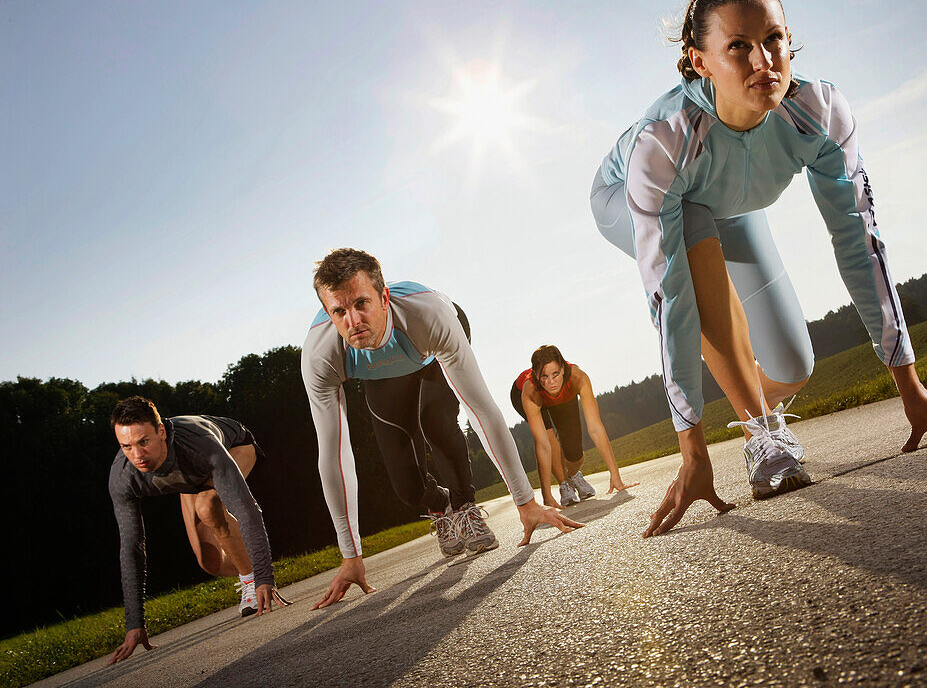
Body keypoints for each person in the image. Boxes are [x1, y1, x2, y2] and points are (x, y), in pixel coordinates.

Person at [590, 0, 927, 536]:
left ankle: (756, 404)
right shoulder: (663, 142)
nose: (763, 60)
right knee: (692, 244)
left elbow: (860, 242)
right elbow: (671, 298)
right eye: (737, 45)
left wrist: (911, 386)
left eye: (774, 38)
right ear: (700, 61)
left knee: (792, 364)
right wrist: (692, 451)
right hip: (641, 198)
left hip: (728, 205)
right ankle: (763, 435)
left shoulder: (820, 111)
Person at [302, 248, 582, 609]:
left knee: (436, 420)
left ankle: (466, 506)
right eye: (339, 311)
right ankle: (441, 506)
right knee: (405, 483)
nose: (353, 320)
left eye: (361, 303)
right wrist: (350, 554)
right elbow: (334, 455)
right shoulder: (320, 355)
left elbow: (481, 410)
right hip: (385, 369)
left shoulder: (427, 315)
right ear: (328, 314)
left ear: (384, 297)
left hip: (429, 341)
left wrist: (525, 501)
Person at [107, 396, 287, 664]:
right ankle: (248, 569)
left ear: (161, 432)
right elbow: (132, 547)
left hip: (233, 445)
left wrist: (263, 578)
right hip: (187, 475)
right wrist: (135, 623)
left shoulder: (202, 447)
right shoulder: (123, 476)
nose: (137, 455)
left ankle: (252, 582)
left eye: (143, 442)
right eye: (127, 446)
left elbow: (247, 510)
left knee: (207, 506)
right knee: (209, 562)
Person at [510, 345, 638, 506]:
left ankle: (573, 475)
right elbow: (543, 445)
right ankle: (564, 485)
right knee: (550, 440)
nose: (551, 382)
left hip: (563, 397)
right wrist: (547, 495)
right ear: (536, 375)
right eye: (544, 376)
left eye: (555, 374)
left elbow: (596, 429)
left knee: (575, 453)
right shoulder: (530, 390)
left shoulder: (578, 379)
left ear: (563, 368)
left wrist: (615, 475)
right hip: (529, 396)